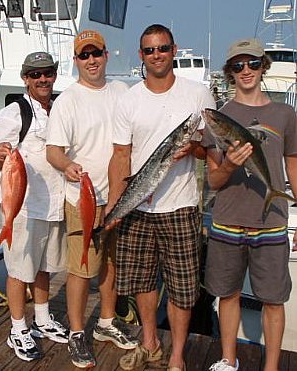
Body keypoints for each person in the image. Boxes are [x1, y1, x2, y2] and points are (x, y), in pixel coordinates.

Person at [106, 24, 215, 371]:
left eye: (163, 48)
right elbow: (121, 156)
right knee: (141, 280)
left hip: (180, 207)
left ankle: (178, 356)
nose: (157, 55)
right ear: (142, 55)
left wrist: (193, 146)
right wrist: (114, 204)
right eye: (150, 50)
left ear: (173, 50)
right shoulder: (129, 99)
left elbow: (209, 150)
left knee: (182, 289)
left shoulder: (198, 95)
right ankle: (150, 343)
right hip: (138, 205)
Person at [46, 30, 139, 369]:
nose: (91, 60)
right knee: (82, 268)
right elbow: (53, 150)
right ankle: (75, 332)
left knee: (112, 262)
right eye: (84, 55)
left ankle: (106, 321)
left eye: (96, 53)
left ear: (106, 54)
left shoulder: (121, 91)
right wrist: (67, 166)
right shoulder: (68, 100)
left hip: (119, 196)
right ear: (76, 60)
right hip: (83, 198)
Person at [204, 39, 297, 371]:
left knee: (274, 298)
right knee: (226, 294)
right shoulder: (221, 117)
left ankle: (271, 367)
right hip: (228, 219)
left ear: (264, 66)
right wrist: (229, 165)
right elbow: (213, 181)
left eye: (253, 64)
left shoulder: (285, 114)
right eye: (238, 66)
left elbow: (293, 166)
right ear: (230, 72)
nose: (246, 71)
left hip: (271, 221)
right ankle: (229, 360)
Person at [0, 51, 68, 362]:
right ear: (25, 78)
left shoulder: (60, 108)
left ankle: (43, 318)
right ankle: (18, 328)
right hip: (21, 207)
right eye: (35, 74)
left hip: (53, 204)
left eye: (47, 73)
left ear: (54, 75)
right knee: (20, 269)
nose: (42, 79)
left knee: (45, 267)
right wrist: (1, 153)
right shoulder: (13, 112)